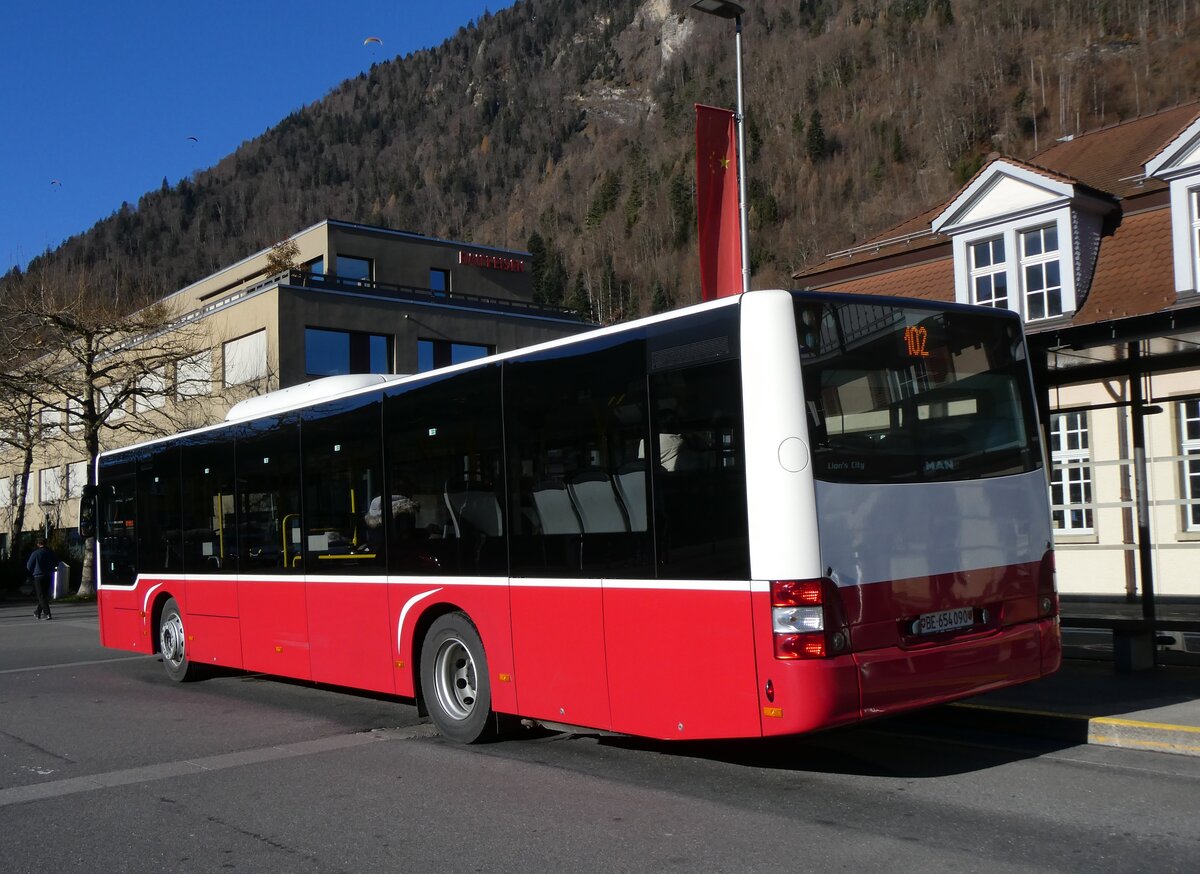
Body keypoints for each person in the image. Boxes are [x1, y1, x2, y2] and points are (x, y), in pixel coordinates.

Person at [27, 536, 58, 621]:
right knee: (44, 595)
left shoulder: (35, 553)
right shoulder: (51, 552)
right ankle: (37, 612)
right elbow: (57, 562)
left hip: (38, 576)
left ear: (38, 544)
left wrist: (33, 570)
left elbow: (29, 566)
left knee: (41, 596)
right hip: (48, 575)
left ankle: (47, 613)